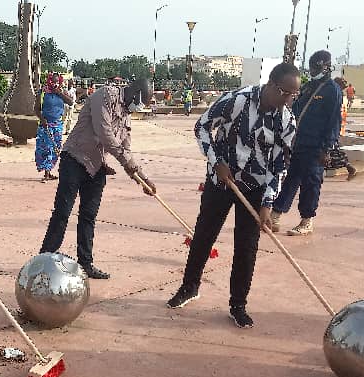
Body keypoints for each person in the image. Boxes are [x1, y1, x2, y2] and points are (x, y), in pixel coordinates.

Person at [166, 63, 300, 328]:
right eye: (286, 93)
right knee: (204, 235)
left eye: (293, 95)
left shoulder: (286, 121)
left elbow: (279, 165)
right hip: (221, 180)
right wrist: (215, 161)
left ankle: (238, 304)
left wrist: (268, 202)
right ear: (272, 85)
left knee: (247, 247)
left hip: (255, 187)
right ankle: (189, 286)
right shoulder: (236, 100)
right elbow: (202, 127)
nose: (288, 100)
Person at [38, 78, 157, 279]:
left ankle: (85, 263)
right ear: (135, 93)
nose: (139, 107)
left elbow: (125, 148)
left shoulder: (127, 114)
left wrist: (142, 178)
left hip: (97, 167)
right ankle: (44, 261)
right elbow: (105, 133)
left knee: (88, 217)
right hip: (75, 158)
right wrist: (128, 164)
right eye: (141, 101)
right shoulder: (105, 95)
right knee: (62, 213)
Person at [270, 50, 343, 236]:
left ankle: (306, 221)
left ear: (326, 67)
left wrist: (326, 148)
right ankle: (275, 215)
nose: (312, 71)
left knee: (311, 183)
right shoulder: (309, 87)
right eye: (310, 67)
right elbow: (295, 110)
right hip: (298, 142)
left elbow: (334, 121)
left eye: (315, 67)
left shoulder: (332, 90)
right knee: (290, 179)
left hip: (317, 146)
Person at [35, 72, 74, 182]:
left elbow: (70, 102)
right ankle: (46, 173)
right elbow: (36, 109)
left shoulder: (62, 91)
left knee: (56, 148)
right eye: (53, 81)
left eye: (57, 82)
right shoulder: (42, 92)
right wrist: (42, 120)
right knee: (47, 148)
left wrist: (59, 93)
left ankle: (50, 171)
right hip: (45, 126)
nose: (55, 84)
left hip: (58, 125)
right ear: (49, 80)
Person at [326, 78, 357, 181]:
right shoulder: (340, 97)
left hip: (333, 129)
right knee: (334, 151)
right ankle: (350, 168)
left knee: (333, 151)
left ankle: (350, 168)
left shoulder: (336, 96)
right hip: (337, 128)